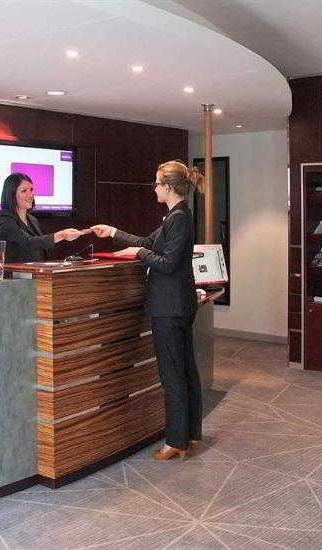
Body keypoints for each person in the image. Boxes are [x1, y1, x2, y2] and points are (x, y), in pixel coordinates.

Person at [91, 160, 202, 461]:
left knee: (173, 374)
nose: (154, 188)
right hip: (177, 304)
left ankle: (176, 441)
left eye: (156, 183)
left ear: (169, 187)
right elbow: (147, 242)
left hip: (170, 306)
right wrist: (113, 232)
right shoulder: (177, 216)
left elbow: (166, 263)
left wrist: (139, 253)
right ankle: (190, 435)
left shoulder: (179, 218)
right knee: (185, 370)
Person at [0, 173, 85, 262]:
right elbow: (28, 242)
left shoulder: (32, 220)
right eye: (24, 191)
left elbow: (41, 247)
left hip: (36, 270)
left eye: (31, 190)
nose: (30, 195)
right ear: (11, 194)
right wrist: (61, 235)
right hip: (14, 272)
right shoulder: (4, 219)